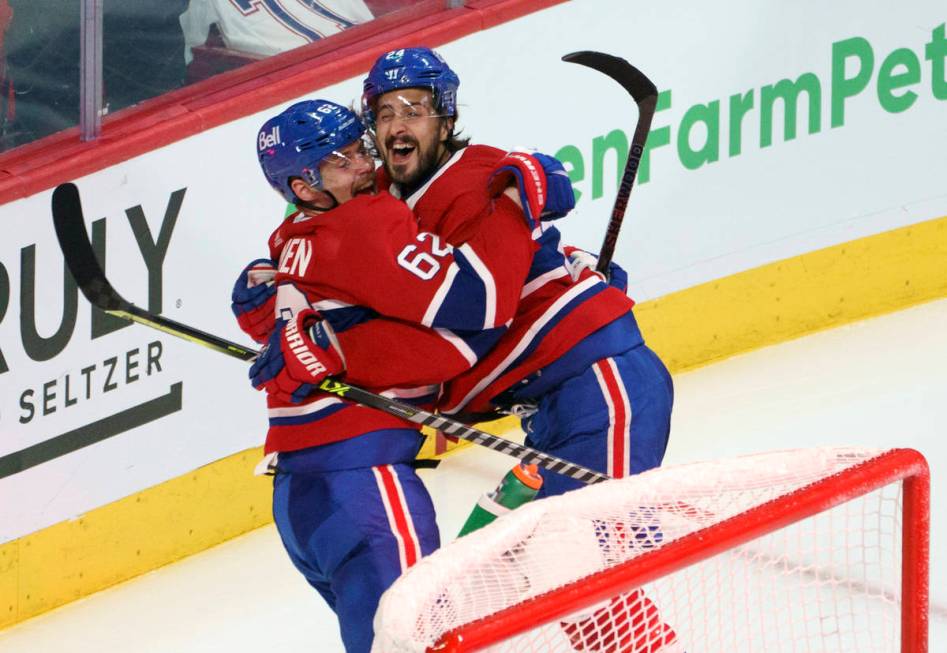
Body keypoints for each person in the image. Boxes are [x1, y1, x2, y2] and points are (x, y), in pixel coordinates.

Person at [360, 47, 682, 652]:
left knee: (574, 563)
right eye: (384, 112)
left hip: (600, 386)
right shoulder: (386, 198)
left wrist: (441, 395)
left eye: (415, 109)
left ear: (446, 119)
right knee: (528, 561)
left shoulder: (481, 178)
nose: (398, 124)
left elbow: (484, 314)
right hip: (553, 405)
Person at [234, 98, 556, 652]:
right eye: (342, 161)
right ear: (304, 187)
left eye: (360, 147)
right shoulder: (365, 222)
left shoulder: (289, 241)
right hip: (365, 485)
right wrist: (514, 210)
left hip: (301, 500)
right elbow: (471, 317)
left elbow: (266, 299)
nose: (365, 165)